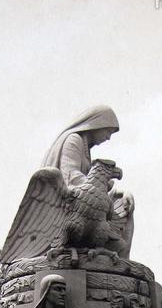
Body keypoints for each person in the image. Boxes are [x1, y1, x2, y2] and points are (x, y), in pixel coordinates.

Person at [42, 106, 134, 254]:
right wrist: (103, 183)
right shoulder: (74, 140)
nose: (108, 137)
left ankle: (119, 266)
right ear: (97, 124)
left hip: (87, 211)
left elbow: (92, 185)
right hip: (70, 213)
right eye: (108, 131)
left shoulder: (85, 148)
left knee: (124, 203)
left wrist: (120, 192)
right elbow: (71, 178)